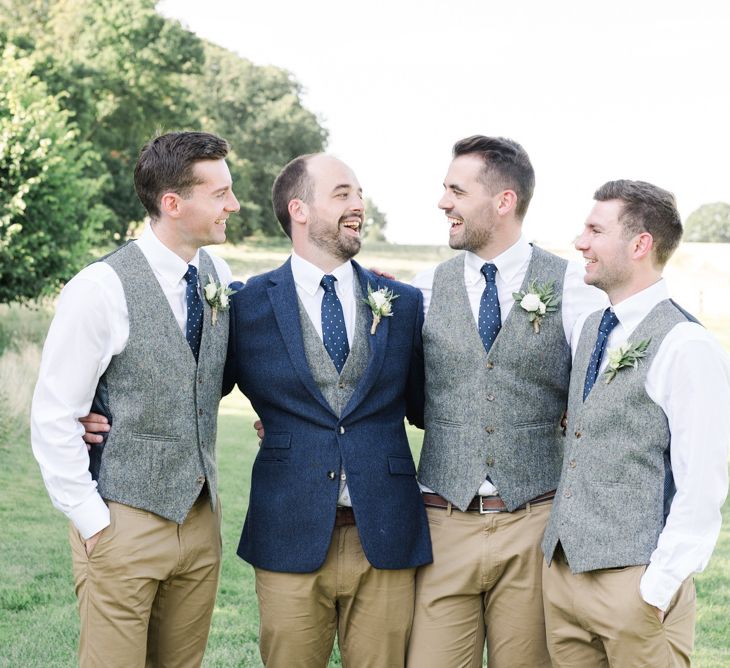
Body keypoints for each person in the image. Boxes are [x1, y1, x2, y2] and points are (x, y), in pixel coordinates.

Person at [30, 131, 240, 667]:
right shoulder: (100, 288)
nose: (233, 205)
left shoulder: (219, 276)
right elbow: (55, 415)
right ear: (173, 204)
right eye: (219, 194)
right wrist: (91, 518)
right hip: (122, 519)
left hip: (199, 520)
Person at [223, 153, 431, 667]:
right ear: (299, 208)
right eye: (342, 194)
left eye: (359, 194)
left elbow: (430, 406)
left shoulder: (400, 301)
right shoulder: (246, 305)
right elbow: (196, 393)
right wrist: (100, 411)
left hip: (383, 530)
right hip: (287, 529)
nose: (358, 205)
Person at [406, 135, 606, 668]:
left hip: (534, 522)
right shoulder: (422, 290)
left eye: (456, 190)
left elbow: (607, 394)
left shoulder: (576, 288)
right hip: (441, 519)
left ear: (504, 201)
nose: (443, 202)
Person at [541, 180, 730, 667]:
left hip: (636, 585)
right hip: (564, 577)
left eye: (594, 230)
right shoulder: (590, 328)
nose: (580, 242)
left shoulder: (688, 346)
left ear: (640, 244)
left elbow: (703, 481)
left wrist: (657, 587)